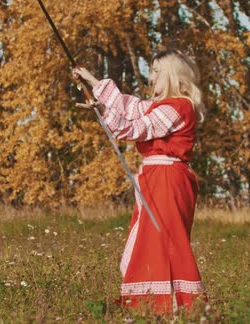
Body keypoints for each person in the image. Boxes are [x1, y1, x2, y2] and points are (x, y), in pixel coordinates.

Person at [73, 50, 206, 313]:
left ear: (170, 74)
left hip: (168, 180)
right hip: (157, 179)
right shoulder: (162, 105)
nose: (151, 76)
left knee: (165, 241)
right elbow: (128, 106)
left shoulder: (178, 107)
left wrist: (103, 112)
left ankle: (176, 307)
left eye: (156, 71)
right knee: (152, 240)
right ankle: (161, 306)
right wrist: (90, 79)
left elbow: (133, 128)